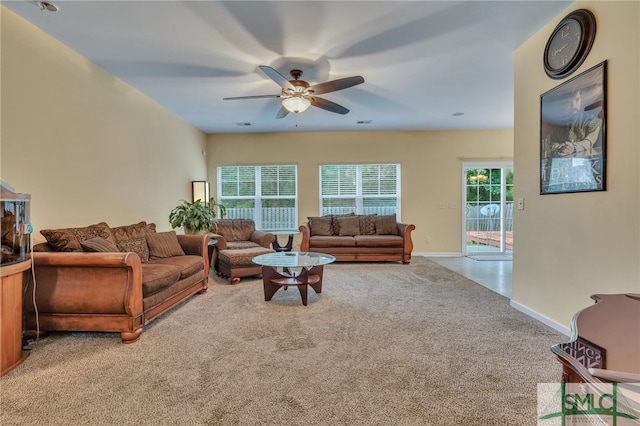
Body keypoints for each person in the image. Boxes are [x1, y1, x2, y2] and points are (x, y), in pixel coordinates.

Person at [550, 89, 602, 158]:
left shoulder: (591, 119)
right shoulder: (559, 122)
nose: (575, 106)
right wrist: (562, 147)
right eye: (569, 103)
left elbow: (589, 141)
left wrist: (573, 147)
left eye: (577, 100)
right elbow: (551, 144)